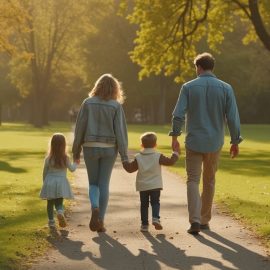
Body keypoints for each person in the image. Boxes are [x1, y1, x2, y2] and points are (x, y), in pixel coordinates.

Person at [169, 52, 243, 235]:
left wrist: (175, 136)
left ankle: (194, 220)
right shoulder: (226, 88)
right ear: (212, 67)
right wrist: (235, 141)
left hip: (194, 141)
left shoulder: (188, 87)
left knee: (192, 180)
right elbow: (232, 118)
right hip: (214, 142)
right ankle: (204, 220)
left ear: (199, 67)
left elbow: (178, 114)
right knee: (209, 181)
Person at [72, 73, 128, 233]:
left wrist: (76, 151)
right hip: (109, 148)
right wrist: (124, 157)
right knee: (104, 184)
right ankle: (101, 221)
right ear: (115, 89)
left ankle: (94, 207)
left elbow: (79, 129)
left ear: (97, 86)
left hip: (90, 147)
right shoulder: (116, 106)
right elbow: (121, 133)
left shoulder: (87, 103)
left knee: (93, 183)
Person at [123, 132, 179, 232]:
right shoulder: (158, 156)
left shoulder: (138, 157)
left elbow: (130, 169)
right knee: (155, 202)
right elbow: (170, 161)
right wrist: (175, 153)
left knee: (144, 205)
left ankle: (144, 225)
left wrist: (124, 160)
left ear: (141, 145)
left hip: (143, 186)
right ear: (155, 145)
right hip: (155, 185)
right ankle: (155, 218)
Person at [40, 133, 78, 228]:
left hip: (50, 182)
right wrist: (76, 163)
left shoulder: (48, 158)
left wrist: (45, 183)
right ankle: (60, 212)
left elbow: (44, 172)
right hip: (61, 182)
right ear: (64, 145)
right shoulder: (65, 158)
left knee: (50, 203)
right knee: (59, 201)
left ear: (52, 144)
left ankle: (51, 222)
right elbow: (72, 169)